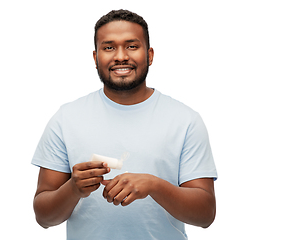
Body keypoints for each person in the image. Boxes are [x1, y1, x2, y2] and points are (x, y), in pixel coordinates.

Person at [32, 9, 218, 240]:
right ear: (95, 57)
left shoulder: (185, 120)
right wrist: (72, 189)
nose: (121, 56)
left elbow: (205, 214)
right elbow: (43, 217)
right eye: (109, 47)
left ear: (149, 55)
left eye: (132, 46)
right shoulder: (66, 119)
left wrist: (154, 185)